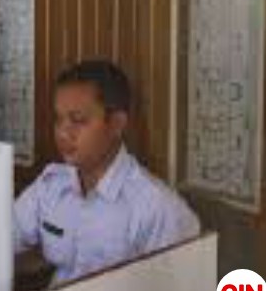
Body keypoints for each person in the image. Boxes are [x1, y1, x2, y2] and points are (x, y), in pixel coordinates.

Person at [14, 60, 200, 284]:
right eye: (58, 119)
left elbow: (189, 279)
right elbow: (1, 238)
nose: (63, 133)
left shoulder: (155, 206)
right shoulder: (50, 186)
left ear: (116, 124)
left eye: (78, 120)